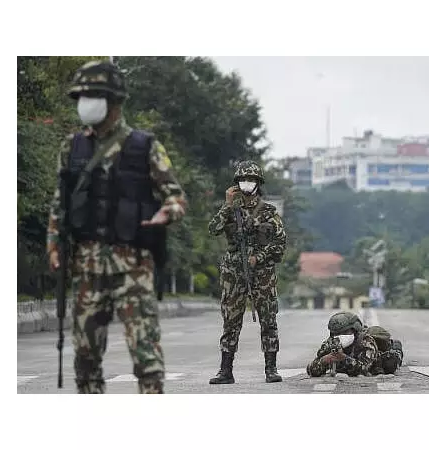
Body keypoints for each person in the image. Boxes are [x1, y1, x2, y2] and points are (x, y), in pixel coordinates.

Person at [46, 60, 187, 394]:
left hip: (133, 267)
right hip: (87, 267)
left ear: (114, 101)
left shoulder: (144, 146)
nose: (85, 103)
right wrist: (53, 244)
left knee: (146, 355)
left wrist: (165, 214)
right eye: (82, 96)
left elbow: (176, 196)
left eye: (93, 95)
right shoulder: (72, 147)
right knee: (85, 358)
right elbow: (59, 202)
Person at [207, 161, 287, 384]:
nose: (247, 183)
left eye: (251, 180)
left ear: (258, 183)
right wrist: (227, 205)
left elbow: (280, 243)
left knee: (268, 320)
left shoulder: (269, 212)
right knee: (230, 321)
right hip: (234, 274)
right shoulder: (230, 210)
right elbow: (213, 229)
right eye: (243, 180)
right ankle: (225, 370)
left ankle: (271, 368)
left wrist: (258, 257)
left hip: (262, 274)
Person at [306, 312, 378, 377]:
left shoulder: (366, 342)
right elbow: (311, 370)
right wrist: (324, 360)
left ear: (355, 330)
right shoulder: (331, 343)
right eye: (336, 333)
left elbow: (365, 369)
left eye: (345, 332)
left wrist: (344, 359)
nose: (340, 336)